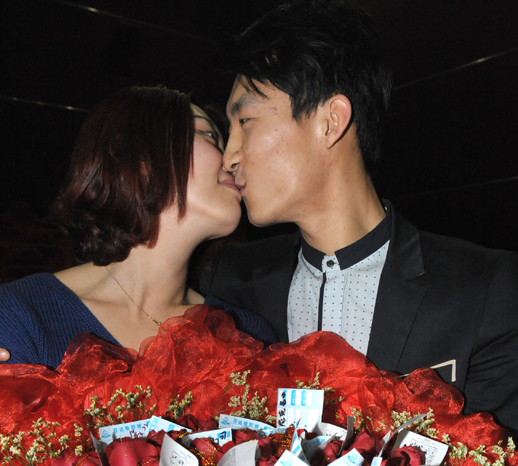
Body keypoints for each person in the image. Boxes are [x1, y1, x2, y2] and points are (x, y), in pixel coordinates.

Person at [195, 0, 518, 434]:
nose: (230, 155)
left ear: (331, 122)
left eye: (246, 120)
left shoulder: (483, 290)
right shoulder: (229, 284)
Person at [0, 86, 276, 368]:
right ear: (138, 157)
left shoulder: (249, 335)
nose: (233, 159)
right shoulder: (17, 318)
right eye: (208, 135)